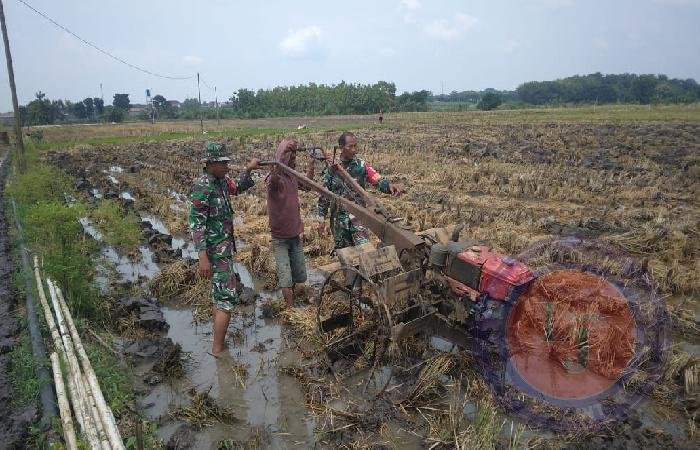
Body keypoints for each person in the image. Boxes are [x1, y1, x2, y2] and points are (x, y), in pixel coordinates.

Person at [189, 141, 260, 354]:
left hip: (224, 248)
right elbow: (196, 224)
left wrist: (248, 170)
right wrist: (202, 257)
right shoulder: (203, 186)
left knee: (219, 295)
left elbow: (237, 188)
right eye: (223, 163)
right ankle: (218, 351)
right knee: (226, 298)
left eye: (227, 162)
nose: (227, 166)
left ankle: (217, 344)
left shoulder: (222, 181)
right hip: (215, 251)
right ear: (210, 163)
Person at [314, 131, 403, 249]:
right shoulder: (331, 169)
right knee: (345, 253)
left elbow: (376, 178)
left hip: (359, 218)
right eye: (350, 146)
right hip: (339, 222)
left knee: (365, 250)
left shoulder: (361, 165)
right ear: (341, 147)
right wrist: (321, 219)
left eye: (355, 146)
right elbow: (323, 196)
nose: (354, 150)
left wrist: (389, 186)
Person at [266, 138, 308, 307]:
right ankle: (291, 310)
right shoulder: (273, 179)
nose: (294, 159)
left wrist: (312, 165)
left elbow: (308, 186)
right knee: (285, 276)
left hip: (295, 234)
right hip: (280, 237)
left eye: (294, 155)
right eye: (291, 155)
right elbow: (274, 180)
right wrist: (283, 154)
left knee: (299, 274)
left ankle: (294, 300)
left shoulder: (292, 176)